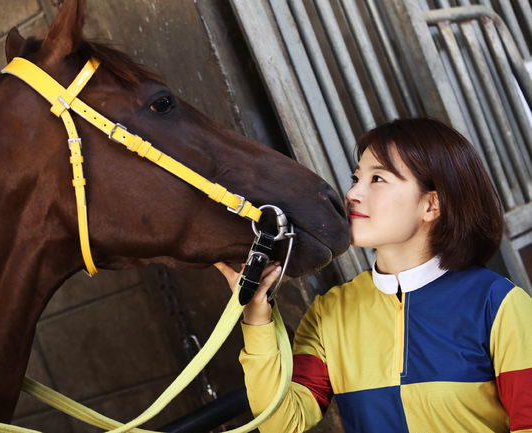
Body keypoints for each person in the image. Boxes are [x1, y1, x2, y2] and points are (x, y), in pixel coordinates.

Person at [215, 118, 532, 433]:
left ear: (431, 205)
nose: (353, 193)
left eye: (377, 179)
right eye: (355, 178)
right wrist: (257, 316)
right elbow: (284, 421)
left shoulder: (498, 305)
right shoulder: (330, 312)